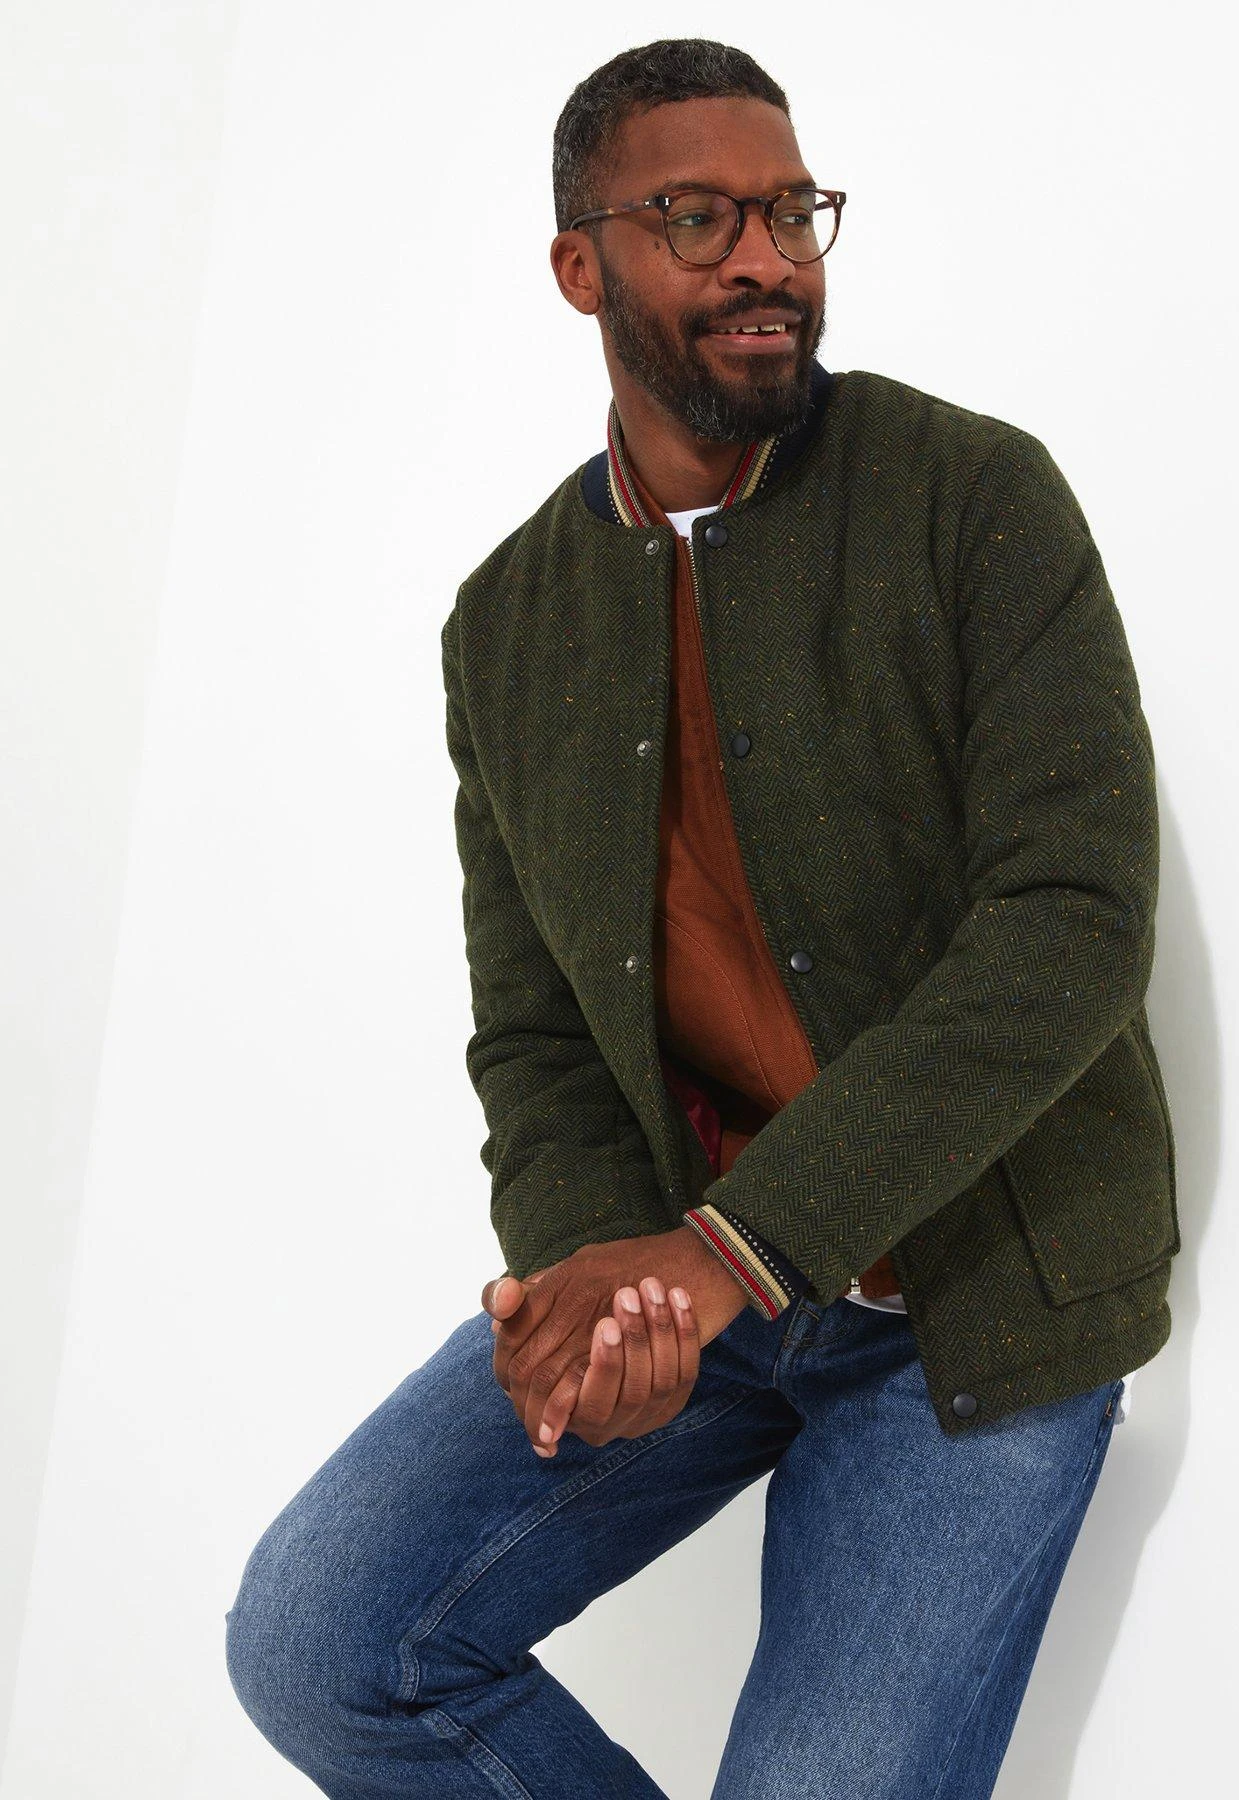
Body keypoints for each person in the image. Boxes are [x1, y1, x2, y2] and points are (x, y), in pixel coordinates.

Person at [225, 37, 1180, 1797]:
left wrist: (734, 1251)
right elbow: (535, 1029)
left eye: (789, 212)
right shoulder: (506, 621)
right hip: (694, 1281)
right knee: (319, 1641)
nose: (764, 259)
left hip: (966, 1307)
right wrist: (603, 1291)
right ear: (580, 266)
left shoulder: (972, 497)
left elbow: (1069, 925)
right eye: (697, 218)